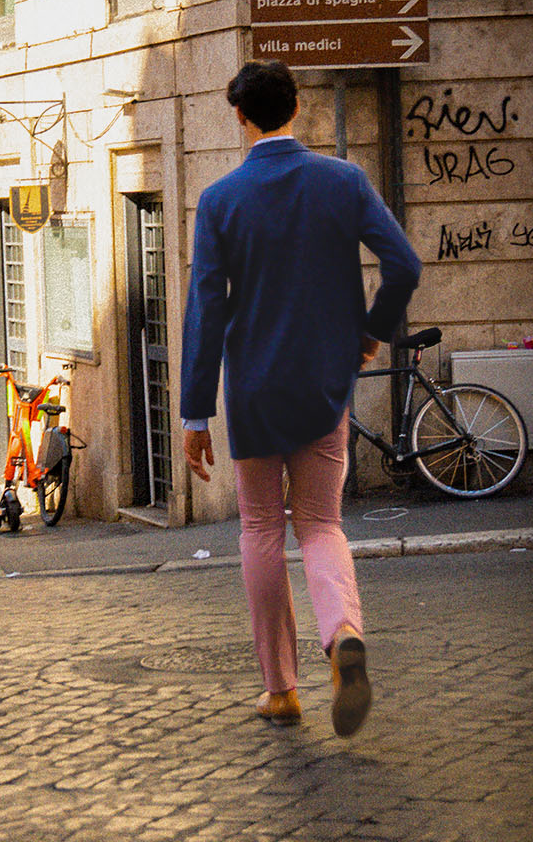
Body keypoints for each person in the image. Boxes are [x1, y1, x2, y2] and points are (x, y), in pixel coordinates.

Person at [180, 60, 422, 737]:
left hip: (253, 390)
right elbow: (403, 265)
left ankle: (281, 691)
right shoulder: (342, 181)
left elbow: (205, 309)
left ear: (241, 116)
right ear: (295, 109)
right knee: (320, 523)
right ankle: (342, 634)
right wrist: (372, 335)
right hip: (324, 383)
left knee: (260, 527)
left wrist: (196, 410)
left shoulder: (222, 199)